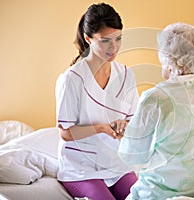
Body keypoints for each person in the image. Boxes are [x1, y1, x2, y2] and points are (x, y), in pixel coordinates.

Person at [118, 22, 194, 199]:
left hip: (164, 191)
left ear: (169, 60)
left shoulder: (156, 97)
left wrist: (128, 135)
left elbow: (133, 156)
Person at [55, 3, 139, 200]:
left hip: (116, 164)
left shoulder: (126, 75)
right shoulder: (71, 79)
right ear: (88, 39)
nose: (114, 47)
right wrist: (101, 128)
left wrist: (124, 127)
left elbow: (133, 122)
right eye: (105, 41)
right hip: (80, 168)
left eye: (118, 39)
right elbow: (65, 133)